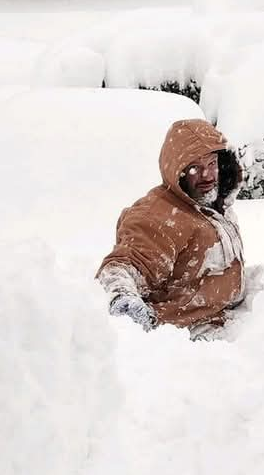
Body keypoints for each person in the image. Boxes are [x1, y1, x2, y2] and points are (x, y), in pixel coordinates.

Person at [96, 118, 246, 334]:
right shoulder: (160, 216)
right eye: (194, 168)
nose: (207, 175)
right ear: (178, 171)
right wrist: (121, 297)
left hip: (225, 320)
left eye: (211, 164)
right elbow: (124, 265)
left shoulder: (211, 205)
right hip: (185, 340)